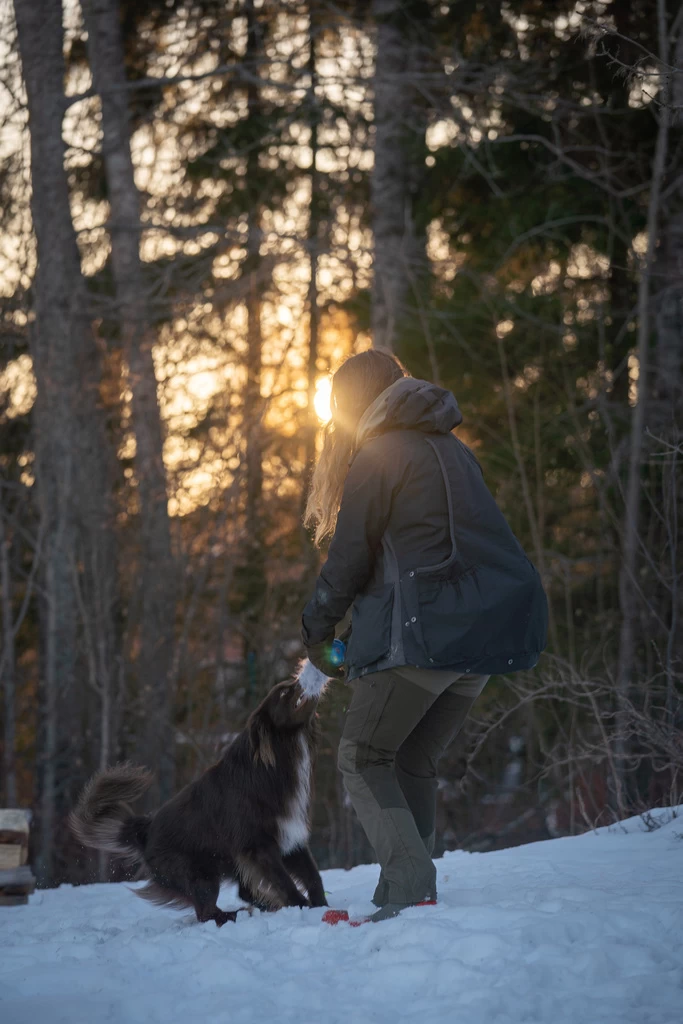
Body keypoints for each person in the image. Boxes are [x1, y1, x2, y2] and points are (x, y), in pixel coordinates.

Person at [301, 350, 548, 922]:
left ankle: (412, 889)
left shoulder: (381, 453)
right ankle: (405, 897)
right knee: (410, 757)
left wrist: (317, 631)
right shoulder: (454, 451)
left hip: (423, 638)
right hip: (479, 643)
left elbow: (349, 560)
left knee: (362, 756)